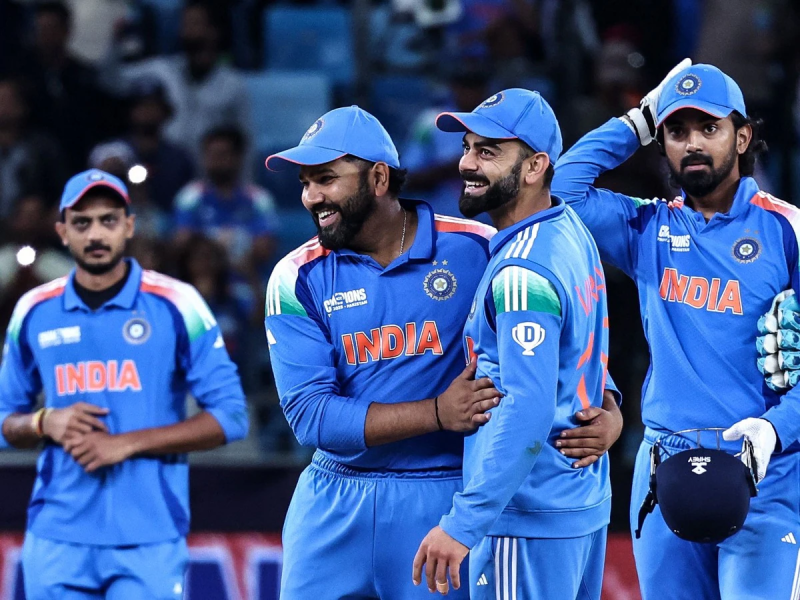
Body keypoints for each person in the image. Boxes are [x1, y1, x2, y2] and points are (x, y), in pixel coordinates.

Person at [264, 105, 620, 599]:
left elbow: (560, 334)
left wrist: (608, 404)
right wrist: (436, 412)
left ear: (379, 178)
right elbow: (311, 418)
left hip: (444, 498)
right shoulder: (294, 276)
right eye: (305, 183)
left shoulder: (479, 247)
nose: (311, 197)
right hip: (332, 500)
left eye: (326, 179)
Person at [553, 61, 800, 599]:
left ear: (742, 137)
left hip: (766, 471)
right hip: (665, 467)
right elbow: (562, 191)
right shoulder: (649, 226)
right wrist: (638, 121)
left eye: (709, 128)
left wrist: (775, 429)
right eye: (676, 131)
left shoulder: (788, 230)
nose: (692, 144)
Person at [0, 168, 249, 599]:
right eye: (82, 223)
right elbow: (4, 419)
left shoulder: (178, 303)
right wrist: (43, 422)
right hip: (57, 537)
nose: (96, 234)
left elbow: (231, 417)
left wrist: (126, 443)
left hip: (149, 537)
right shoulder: (33, 309)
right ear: (62, 231)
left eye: (108, 220)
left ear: (129, 226)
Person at [412, 89, 619, 598]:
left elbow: (527, 406)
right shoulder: (568, 227)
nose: (466, 164)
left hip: (527, 515)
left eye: (488, 152)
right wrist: (611, 404)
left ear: (535, 167)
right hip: (580, 504)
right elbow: (580, 340)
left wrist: (464, 523)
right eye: (467, 148)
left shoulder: (522, 270)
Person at [173, 125, 279, 282]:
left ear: (238, 157)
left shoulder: (259, 198)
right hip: (202, 281)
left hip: (247, 281)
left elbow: (265, 248)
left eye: (222, 154)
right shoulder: (189, 197)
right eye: (211, 154)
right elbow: (181, 244)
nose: (216, 160)